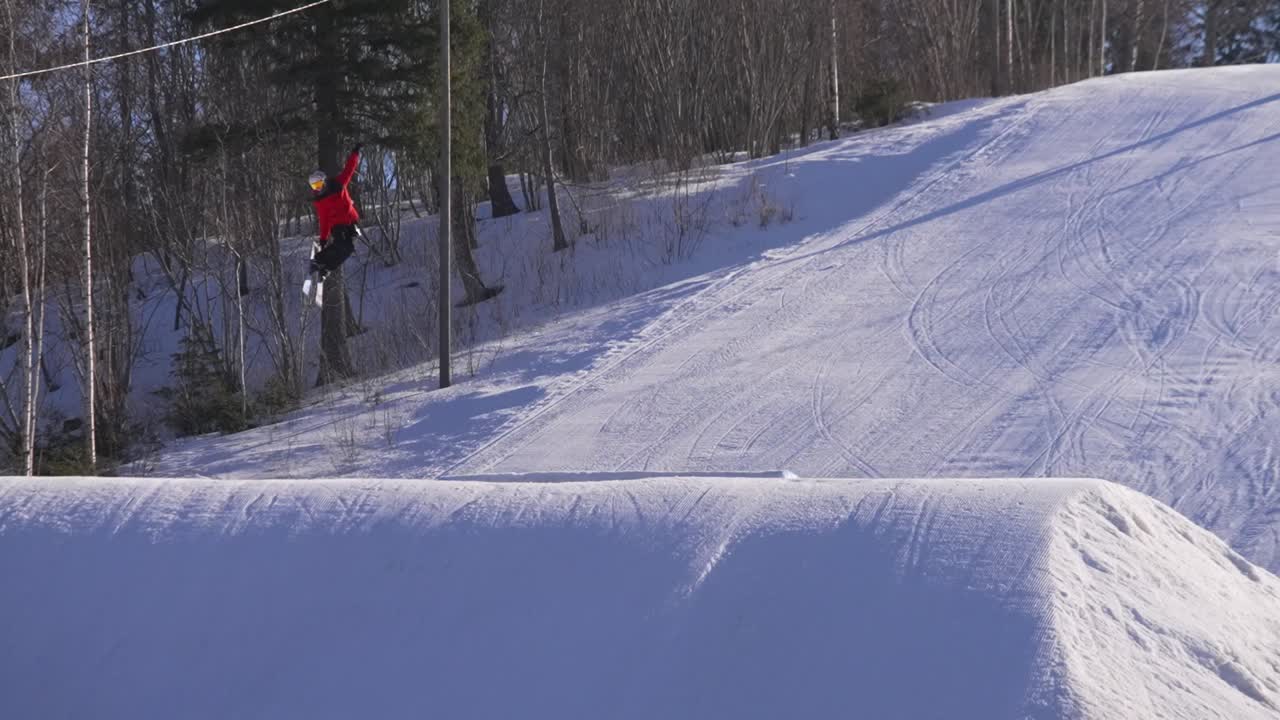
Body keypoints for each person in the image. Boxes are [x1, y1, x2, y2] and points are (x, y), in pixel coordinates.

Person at [308, 144, 363, 279]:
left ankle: (326, 267)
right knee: (341, 245)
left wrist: (355, 153)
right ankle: (319, 260)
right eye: (314, 186)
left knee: (348, 249)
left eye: (318, 184)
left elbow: (349, 169)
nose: (317, 189)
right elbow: (324, 220)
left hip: (351, 222)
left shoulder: (338, 184)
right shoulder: (320, 201)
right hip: (337, 225)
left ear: (324, 181)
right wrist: (323, 238)